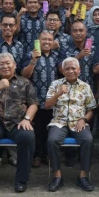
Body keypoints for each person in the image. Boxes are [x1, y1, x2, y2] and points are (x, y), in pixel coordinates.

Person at [0, 53, 39, 193]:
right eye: (1, 64)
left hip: (18, 122)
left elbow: (34, 104)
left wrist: (27, 119)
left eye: (8, 63)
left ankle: (21, 180)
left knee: (27, 136)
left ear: (15, 65)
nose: (5, 66)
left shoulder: (24, 82)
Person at [44, 57, 96, 192]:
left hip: (78, 121)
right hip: (59, 122)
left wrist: (84, 120)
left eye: (74, 68)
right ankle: (57, 176)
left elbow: (91, 109)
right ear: (62, 70)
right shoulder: (55, 84)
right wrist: (59, 93)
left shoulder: (85, 86)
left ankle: (83, 177)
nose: (71, 71)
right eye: (67, 68)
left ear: (79, 70)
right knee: (52, 140)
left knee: (88, 140)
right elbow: (47, 105)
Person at [21, 30, 60, 168]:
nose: (47, 42)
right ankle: (36, 155)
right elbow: (24, 76)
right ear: (38, 40)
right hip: (35, 100)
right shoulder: (30, 55)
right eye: (44, 39)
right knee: (36, 130)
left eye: (50, 39)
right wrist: (33, 61)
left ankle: (47, 154)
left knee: (49, 129)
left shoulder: (56, 56)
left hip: (52, 100)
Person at [0, 15, 25, 79]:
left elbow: (21, 68)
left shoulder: (19, 46)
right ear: (0, 26)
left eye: (11, 25)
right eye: (5, 25)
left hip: (15, 84)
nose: (8, 28)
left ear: (15, 27)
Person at [64, 21, 95, 90]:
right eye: (75, 31)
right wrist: (78, 56)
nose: (78, 33)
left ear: (86, 32)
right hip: (70, 90)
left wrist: (98, 90)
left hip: (91, 89)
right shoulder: (65, 49)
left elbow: (97, 72)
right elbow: (61, 69)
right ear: (71, 33)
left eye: (81, 30)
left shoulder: (93, 49)